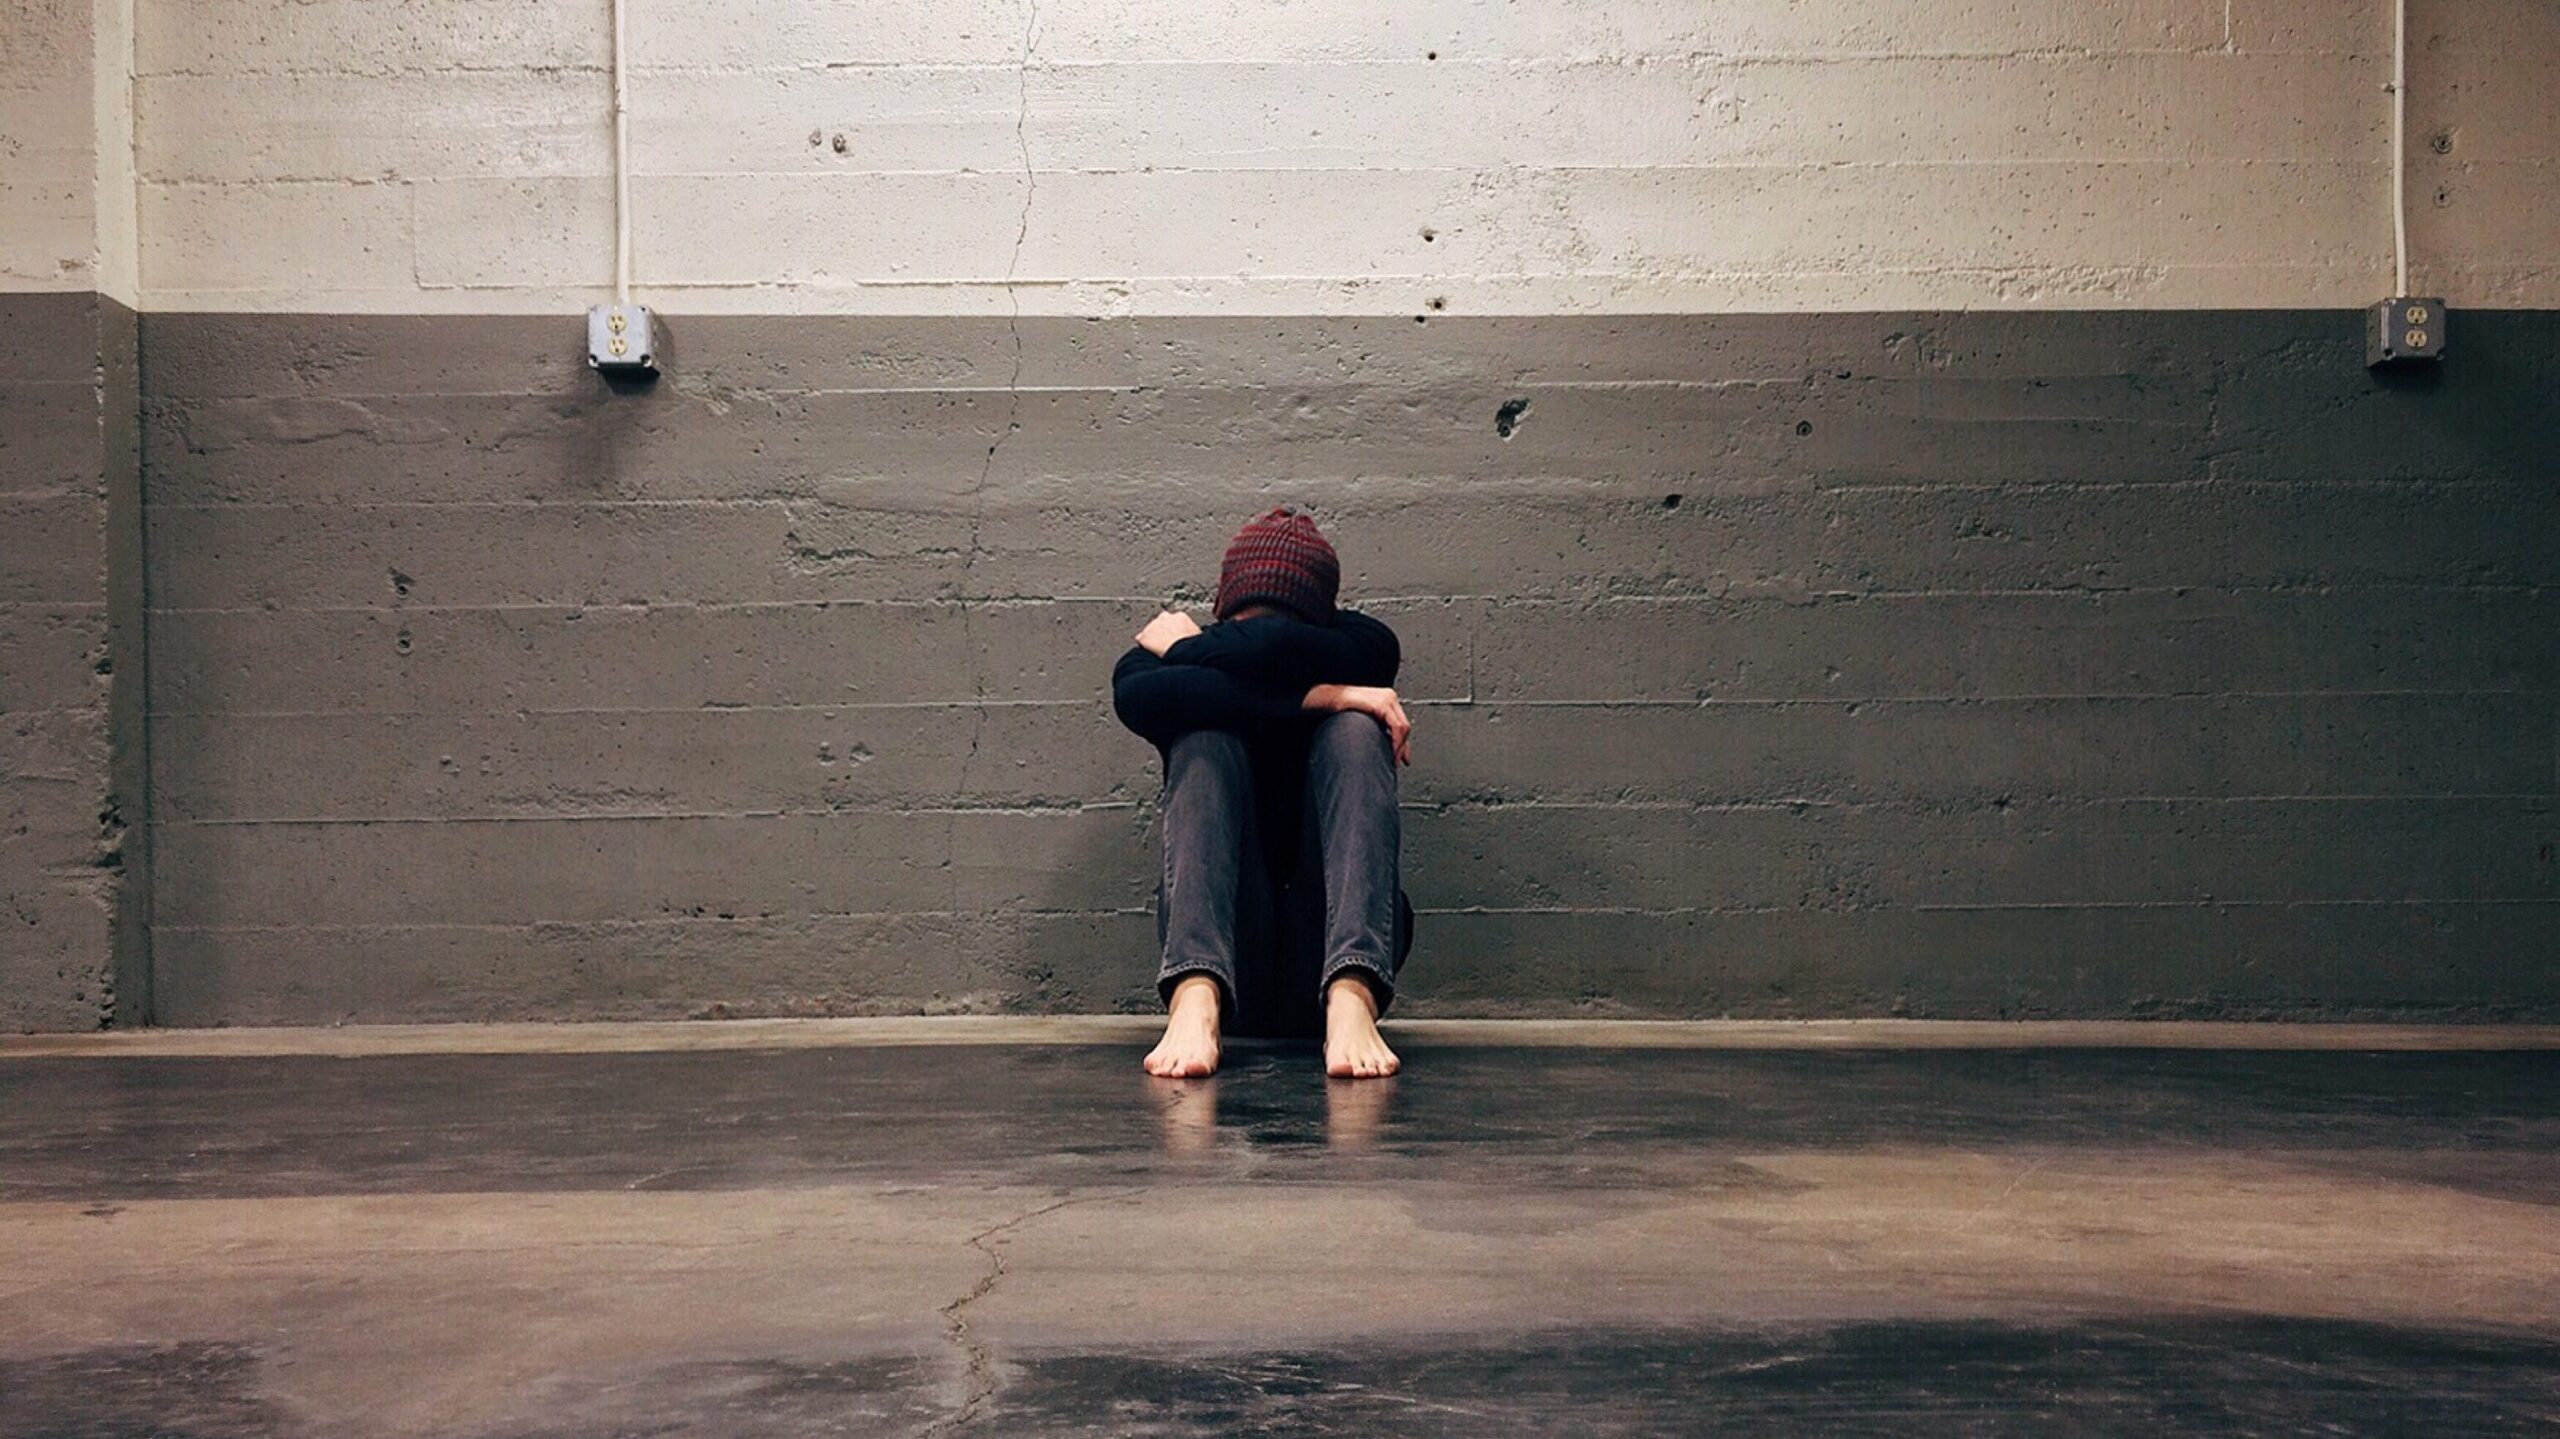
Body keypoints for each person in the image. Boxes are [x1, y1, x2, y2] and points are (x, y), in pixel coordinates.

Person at [1111, 506, 1415, 1080]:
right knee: (1202, 735)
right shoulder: (1151, 668)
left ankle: (1353, 995)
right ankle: (1193, 996)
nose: (1262, 634)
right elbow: (1139, 699)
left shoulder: (1363, 644)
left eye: (1285, 623)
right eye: (1243, 623)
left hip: (1327, 950)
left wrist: (1193, 647)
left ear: (1320, 627)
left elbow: (1275, 647)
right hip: (1230, 961)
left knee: (1357, 729)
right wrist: (1323, 694)